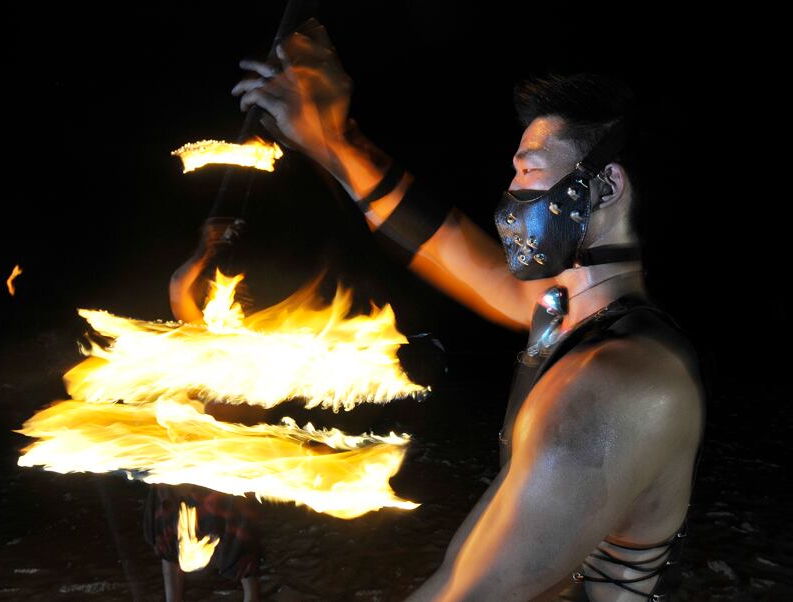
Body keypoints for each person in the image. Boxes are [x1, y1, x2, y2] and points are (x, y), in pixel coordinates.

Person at [227, 19, 706, 601]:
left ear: (605, 187)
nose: (512, 193)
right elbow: (448, 247)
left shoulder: (619, 382)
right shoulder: (566, 316)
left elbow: (471, 592)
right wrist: (333, 140)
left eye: (529, 169)